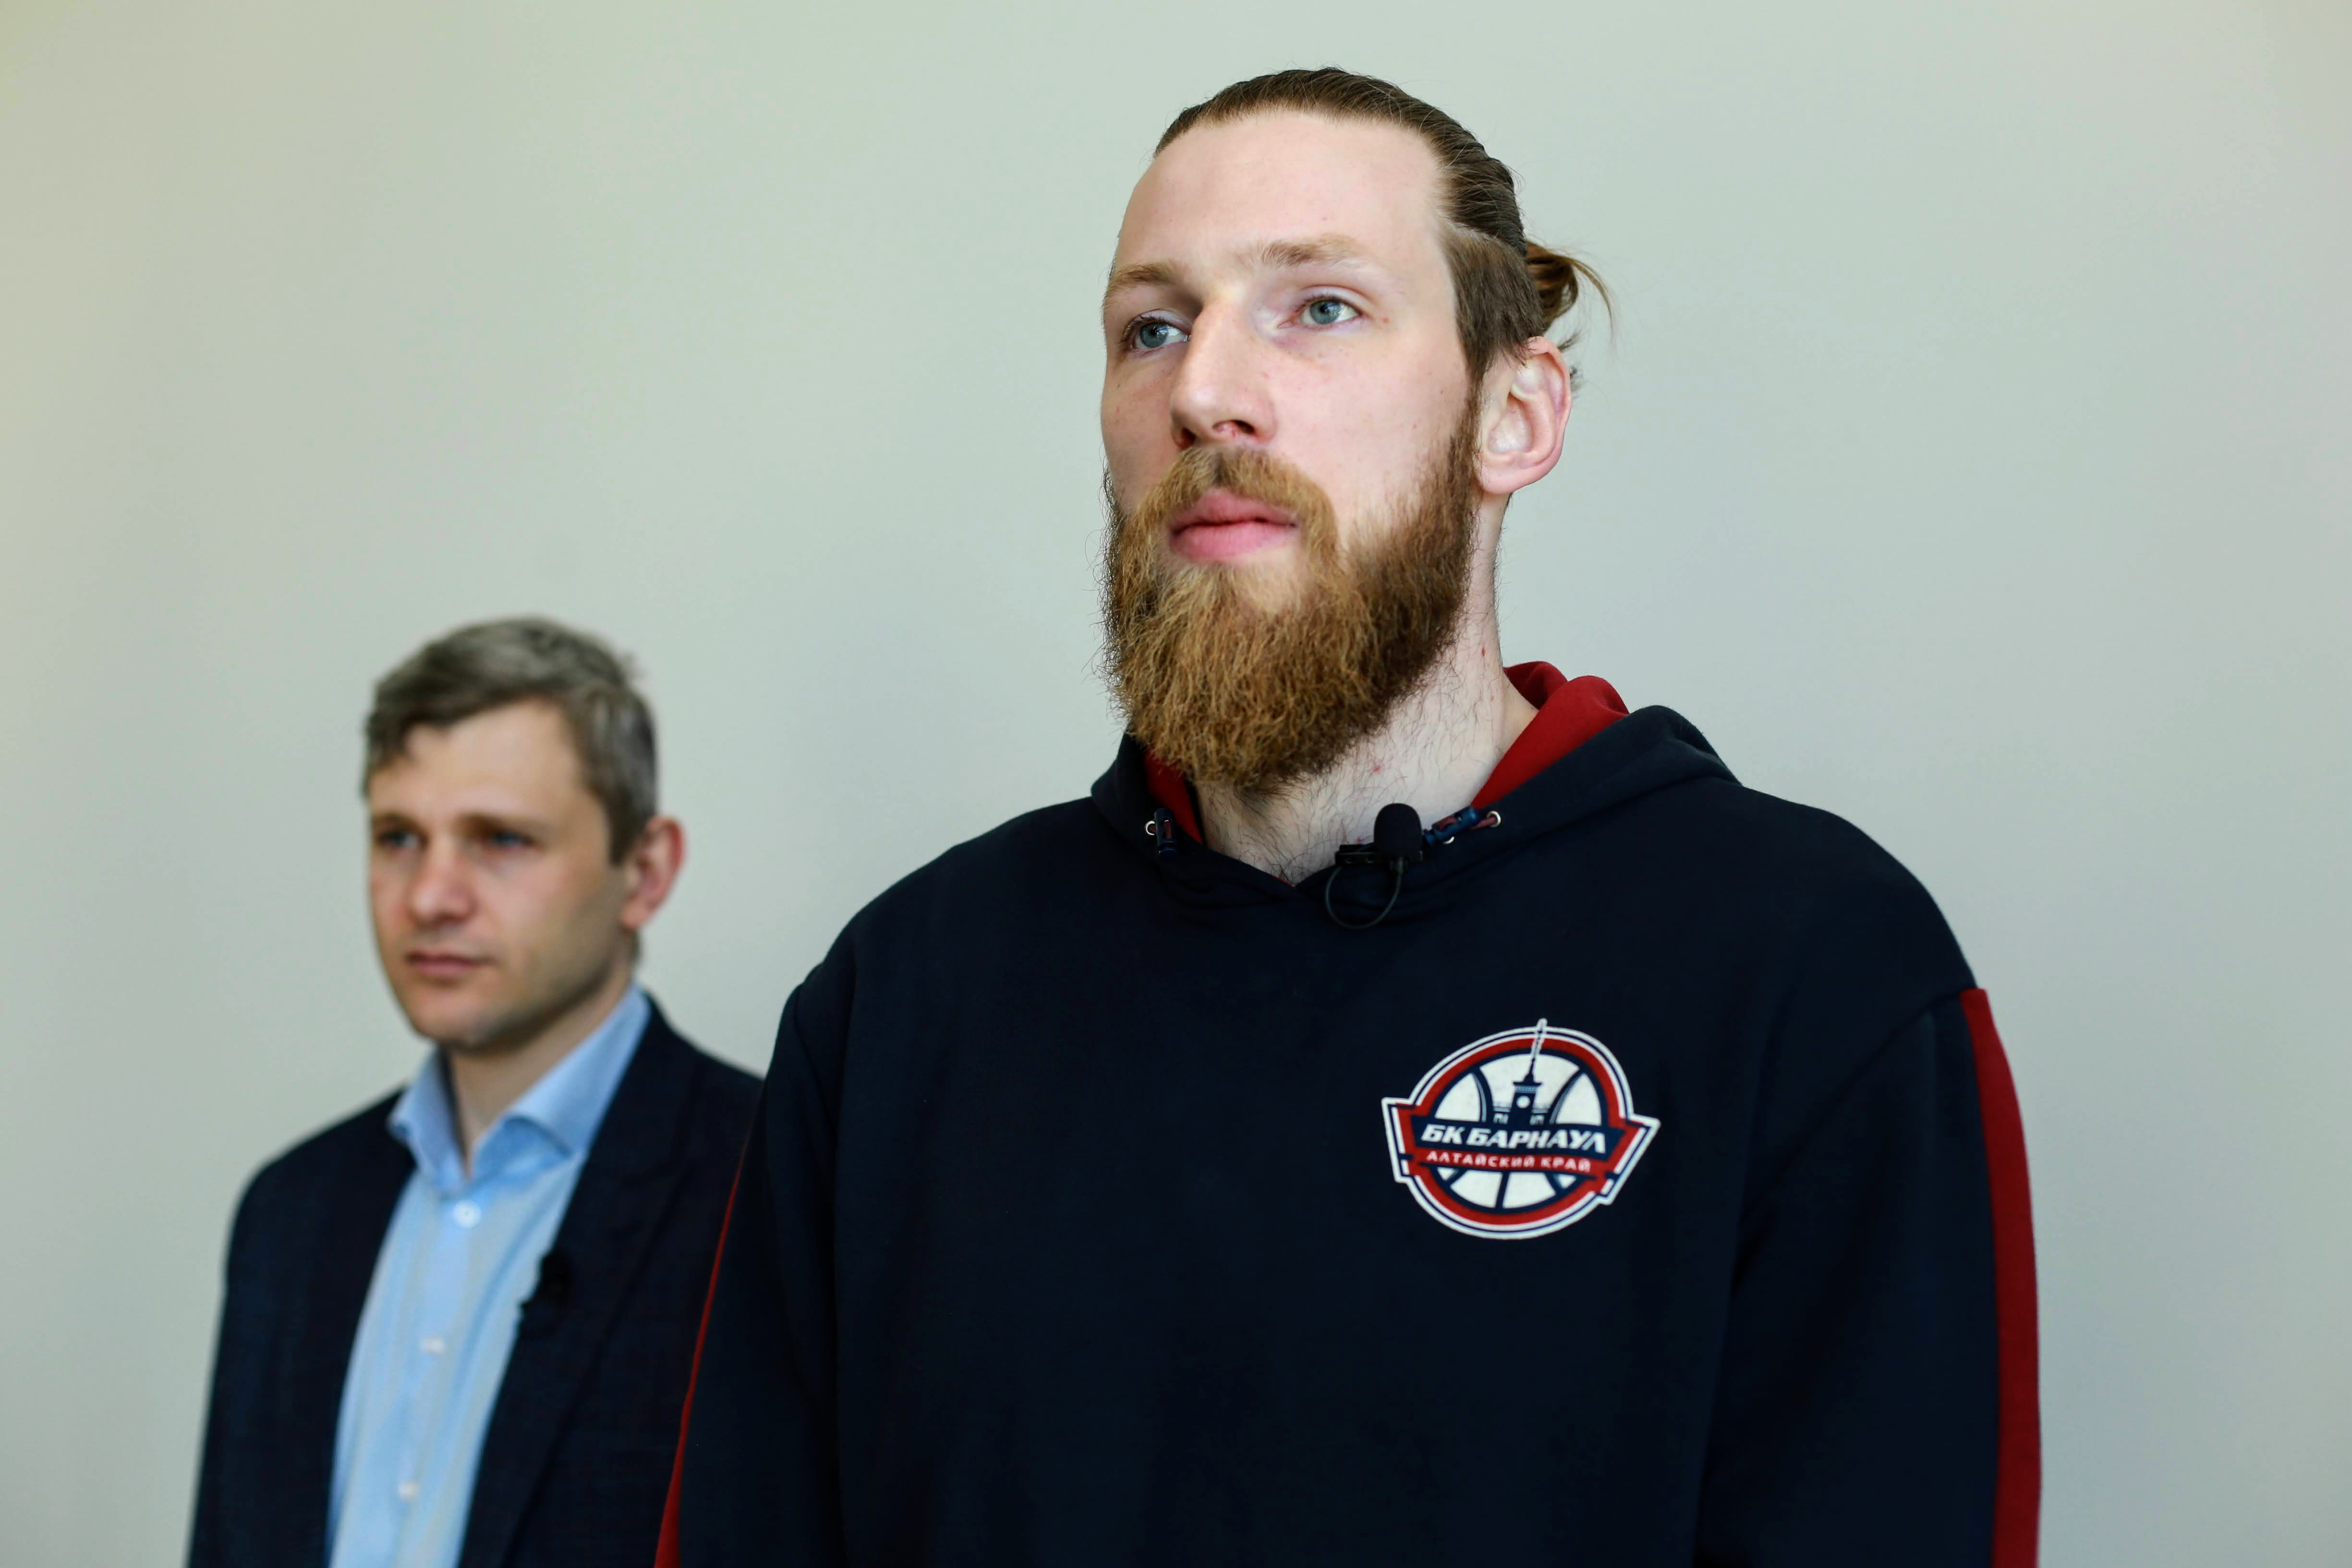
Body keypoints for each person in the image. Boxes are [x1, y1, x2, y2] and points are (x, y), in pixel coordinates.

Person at [665, 68, 2038, 1566]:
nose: (1203, 390)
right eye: (1152, 327)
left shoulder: (1807, 968)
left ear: (1513, 414)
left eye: (1319, 307)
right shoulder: (908, 993)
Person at [189, 618, 759, 1568]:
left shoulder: (767, 1188)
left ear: (645, 871)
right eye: (398, 837)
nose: (430, 896)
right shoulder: (291, 1212)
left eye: (501, 838)